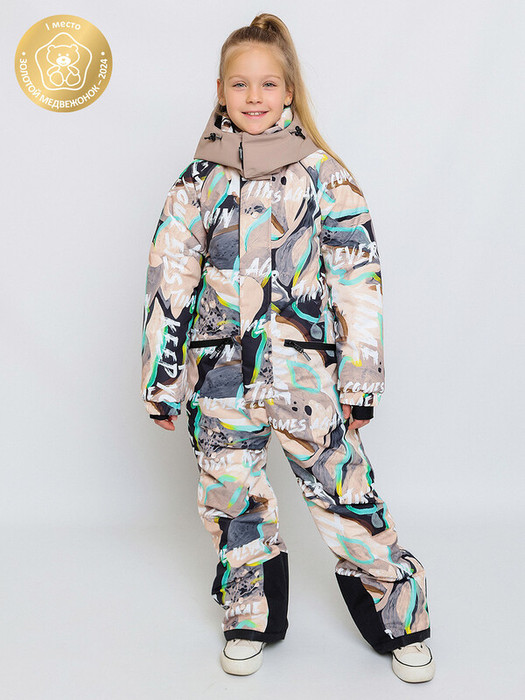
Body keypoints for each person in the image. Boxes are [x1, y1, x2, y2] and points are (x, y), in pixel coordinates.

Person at [141, 12, 434, 684]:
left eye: (267, 83)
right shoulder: (197, 181)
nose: (254, 96)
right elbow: (168, 280)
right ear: (220, 91)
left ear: (289, 90)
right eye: (240, 84)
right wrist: (161, 378)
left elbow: (358, 280)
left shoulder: (324, 176)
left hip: (307, 374)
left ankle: (401, 618)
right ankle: (250, 614)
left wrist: (359, 378)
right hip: (219, 376)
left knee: (344, 494)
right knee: (230, 497)